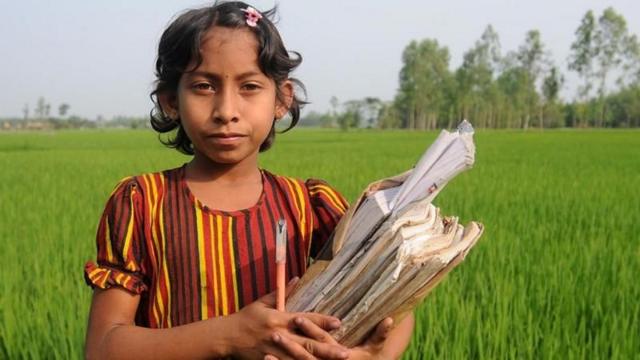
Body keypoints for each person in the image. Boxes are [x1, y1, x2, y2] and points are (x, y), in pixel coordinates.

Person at [84, 2, 414, 359]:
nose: (227, 111)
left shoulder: (310, 207)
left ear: (281, 99)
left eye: (250, 86)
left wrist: (373, 355)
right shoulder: (141, 204)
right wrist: (233, 334)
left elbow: (396, 307)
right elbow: (104, 347)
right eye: (204, 86)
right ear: (171, 101)